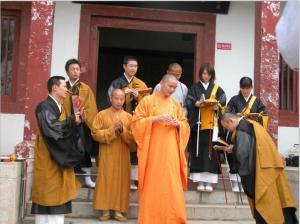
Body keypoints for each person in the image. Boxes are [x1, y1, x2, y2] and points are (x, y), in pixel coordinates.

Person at [131, 74, 190, 224]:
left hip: (170, 153)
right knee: (152, 185)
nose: (172, 90)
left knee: (172, 186)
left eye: (175, 87)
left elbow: (185, 124)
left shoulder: (176, 104)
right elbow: (136, 123)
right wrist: (155, 119)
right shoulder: (147, 101)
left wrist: (178, 124)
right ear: (161, 83)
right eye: (170, 86)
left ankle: (173, 219)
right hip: (153, 152)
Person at [220, 113, 298, 224]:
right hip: (269, 169)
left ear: (231, 121)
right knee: (278, 202)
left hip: (260, 174)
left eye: (226, 127)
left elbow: (243, 153)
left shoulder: (242, 129)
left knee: (265, 205)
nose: (228, 130)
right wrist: (235, 146)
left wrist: (234, 153)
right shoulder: (251, 124)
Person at [31, 76, 84, 224]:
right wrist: (71, 121)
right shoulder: (44, 107)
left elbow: (64, 128)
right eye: (63, 86)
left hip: (60, 159)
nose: (66, 89)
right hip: (49, 159)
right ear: (55, 88)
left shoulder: (61, 107)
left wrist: (75, 121)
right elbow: (52, 130)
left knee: (59, 197)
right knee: (47, 196)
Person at [92, 89, 136, 221]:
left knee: (121, 182)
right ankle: (105, 210)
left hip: (122, 155)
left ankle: (118, 211)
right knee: (105, 180)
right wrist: (112, 130)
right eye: (116, 98)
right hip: (107, 154)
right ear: (110, 99)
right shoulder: (101, 115)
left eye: (121, 99)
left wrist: (122, 130)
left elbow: (134, 139)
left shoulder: (128, 117)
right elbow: (95, 133)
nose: (119, 101)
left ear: (124, 100)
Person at [107, 55, 149, 190]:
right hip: (119, 119)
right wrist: (122, 94)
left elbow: (147, 104)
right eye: (130, 66)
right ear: (124, 66)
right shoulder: (117, 83)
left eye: (135, 66)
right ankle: (118, 179)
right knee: (119, 148)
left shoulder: (141, 84)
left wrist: (139, 97)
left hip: (135, 120)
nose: (133, 69)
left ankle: (133, 180)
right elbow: (109, 99)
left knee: (134, 149)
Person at [185, 63, 226, 192]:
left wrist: (217, 107)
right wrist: (196, 103)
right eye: (204, 73)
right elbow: (189, 100)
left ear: (211, 75)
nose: (206, 76)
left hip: (212, 125)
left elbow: (223, 102)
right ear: (200, 74)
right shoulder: (195, 88)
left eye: (208, 74)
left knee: (211, 152)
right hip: (198, 124)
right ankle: (199, 181)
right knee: (199, 152)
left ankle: (209, 182)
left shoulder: (217, 89)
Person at [225, 76, 268, 192]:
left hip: (249, 133)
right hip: (236, 132)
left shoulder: (257, 101)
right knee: (235, 155)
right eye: (243, 88)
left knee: (247, 157)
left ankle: (245, 183)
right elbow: (227, 113)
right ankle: (234, 182)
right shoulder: (234, 99)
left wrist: (256, 117)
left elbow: (264, 114)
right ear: (240, 88)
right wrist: (235, 115)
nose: (245, 91)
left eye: (248, 88)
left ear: (251, 88)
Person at [63, 58, 98, 188]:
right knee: (67, 150)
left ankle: (87, 178)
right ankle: (68, 179)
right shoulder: (63, 87)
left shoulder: (85, 88)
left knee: (83, 150)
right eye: (72, 69)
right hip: (66, 125)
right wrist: (68, 119)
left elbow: (91, 107)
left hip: (82, 125)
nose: (75, 71)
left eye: (77, 69)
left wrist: (84, 117)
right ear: (67, 71)